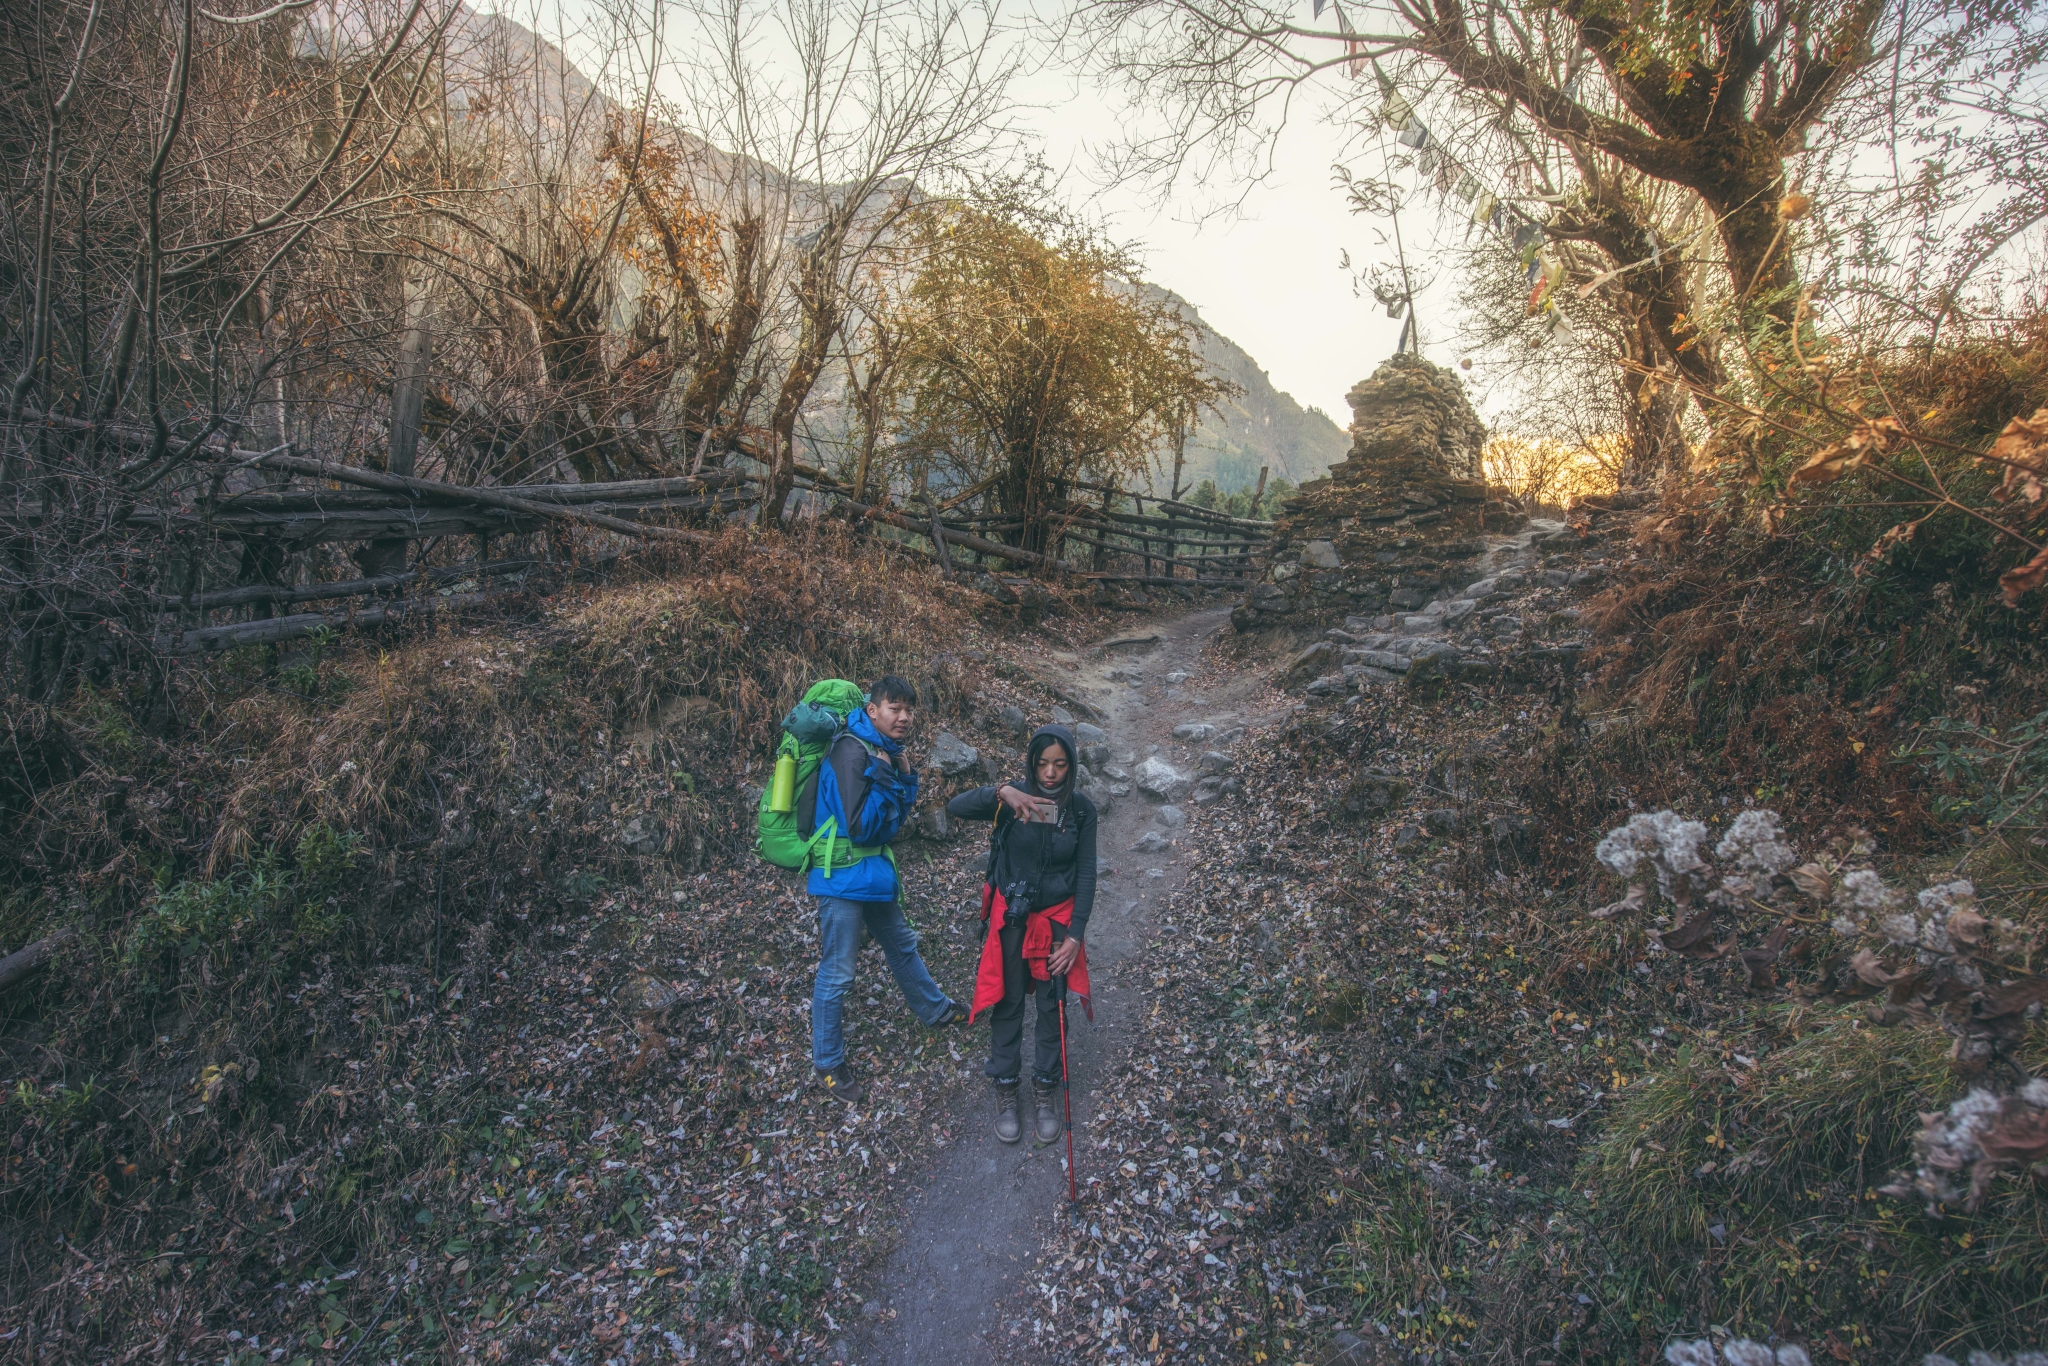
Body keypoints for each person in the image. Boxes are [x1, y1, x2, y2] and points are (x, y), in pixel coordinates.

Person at [804, 675, 968, 1103]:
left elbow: (892, 820)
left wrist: (903, 776)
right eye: (894, 708)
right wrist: (889, 773)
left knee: (900, 942)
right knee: (838, 970)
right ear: (871, 710)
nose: (904, 717)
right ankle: (827, 1062)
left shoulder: (882, 751)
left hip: (868, 871)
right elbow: (862, 827)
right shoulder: (849, 751)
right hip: (842, 874)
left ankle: (935, 1009)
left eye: (909, 710)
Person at [947, 724, 1096, 1144]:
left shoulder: (1081, 810)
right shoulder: (1013, 798)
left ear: (1071, 765)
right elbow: (956, 807)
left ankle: (1045, 1087)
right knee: (1008, 1001)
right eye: (1042, 763)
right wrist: (1000, 793)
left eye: (1060, 764)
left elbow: (1086, 874)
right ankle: (1006, 1087)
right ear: (1032, 763)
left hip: (1058, 921)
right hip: (1011, 918)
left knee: (1052, 1005)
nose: (1050, 773)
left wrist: (1075, 936)